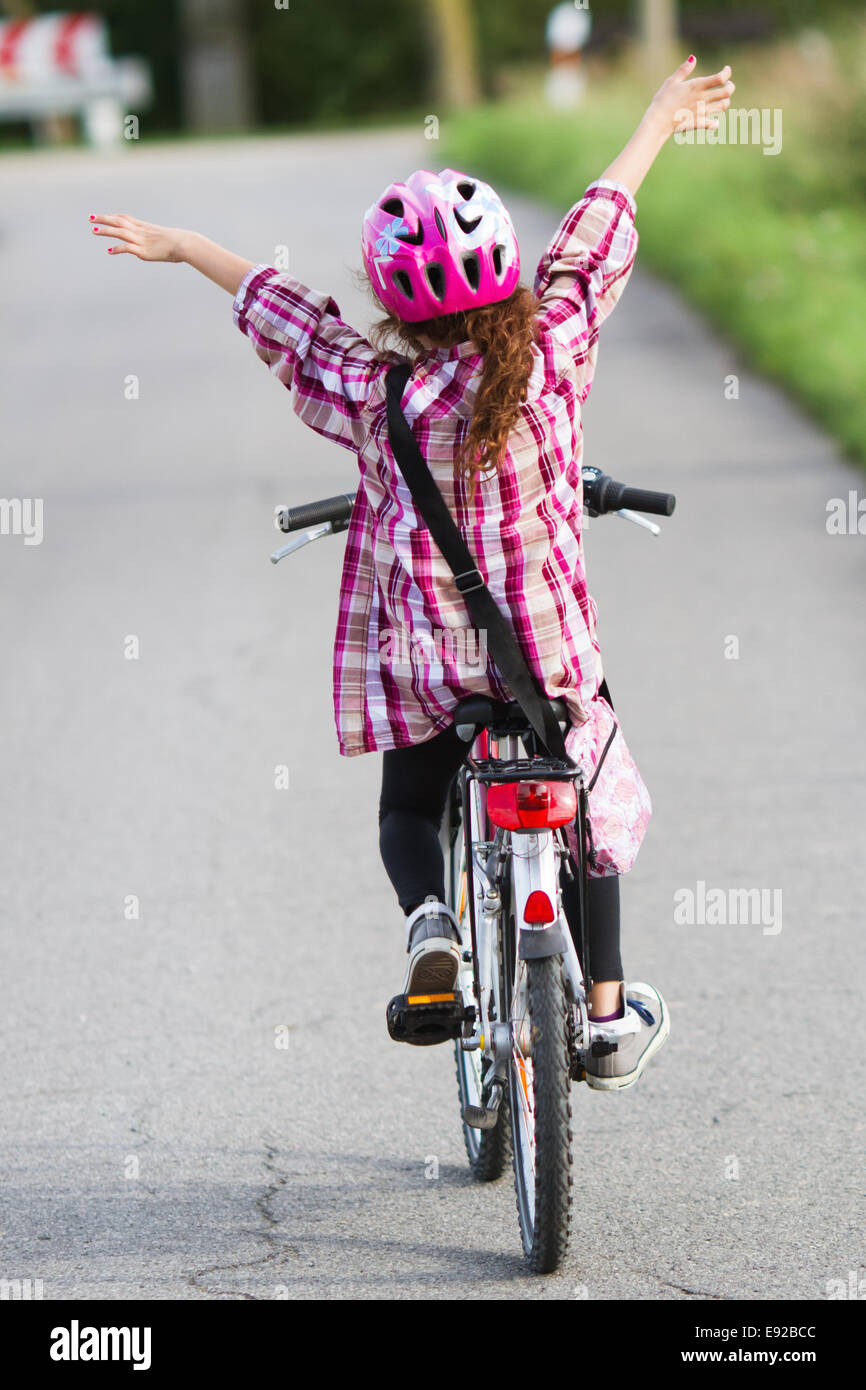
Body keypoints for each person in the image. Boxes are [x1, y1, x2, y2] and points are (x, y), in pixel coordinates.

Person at [88, 55, 734, 1091]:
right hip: (545, 663)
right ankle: (606, 1017)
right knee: (590, 794)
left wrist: (184, 246)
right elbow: (592, 236)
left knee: (408, 802)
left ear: (395, 302)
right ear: (505, 274)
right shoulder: (552, 356)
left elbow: (292, 321)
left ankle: (428, 916)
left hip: (430, 669)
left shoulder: (372, 392)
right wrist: (659, 114)